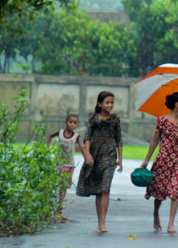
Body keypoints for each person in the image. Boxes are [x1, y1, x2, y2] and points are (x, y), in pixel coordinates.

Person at [139, 92, 178, 233]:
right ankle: (156, 214)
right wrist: (147, 159)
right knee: (160, 190)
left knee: (175, 190)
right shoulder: (162, 120)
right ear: (177, 104)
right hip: (163, 159)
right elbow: (155, 141)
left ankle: (171, 224)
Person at [76, 91, 123, 233]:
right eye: (107, 102)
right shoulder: (93, 118)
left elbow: (119, 139)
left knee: (105, 187)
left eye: (112, 103)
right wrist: (88, 154)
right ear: (99, 104)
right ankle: (99, 222)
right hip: (96, 155)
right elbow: (87, 137)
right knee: (98, 190)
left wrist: (120, 159)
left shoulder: (115, 119)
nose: (110, 105)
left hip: (109, 155)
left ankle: (103, 223)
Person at [47, 113, 83, 215]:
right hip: (60, 163)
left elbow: (81, 147)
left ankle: (60, 205)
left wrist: (87, 157)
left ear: (77, 125)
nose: (72, 124)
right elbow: (50, 136)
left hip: (70, 165)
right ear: (65, 122)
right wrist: (47, 148)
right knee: (58, 182)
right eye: (70, 122)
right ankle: (54, 203)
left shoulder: (76, 137)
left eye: (74, 123)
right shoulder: (60, 133)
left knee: (64, 186)